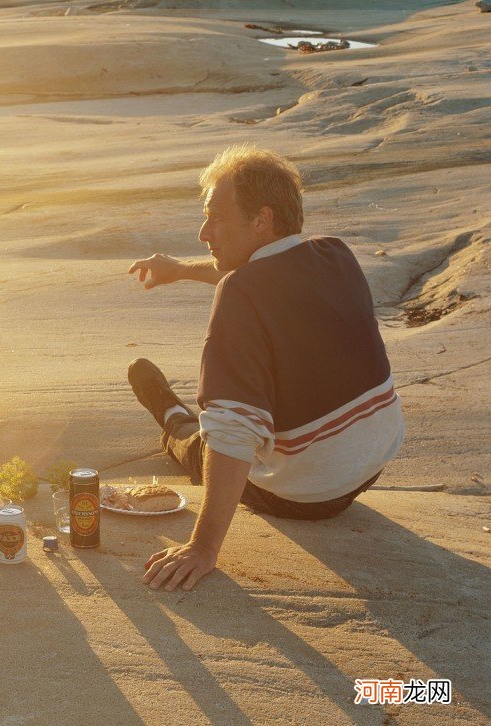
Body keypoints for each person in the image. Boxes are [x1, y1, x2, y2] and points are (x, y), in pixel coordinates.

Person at [126, 145, 404, 592]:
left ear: (262, 219)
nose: (203, 232)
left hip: (306, 496)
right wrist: (178, 271)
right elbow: (264, 277)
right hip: (371, 466)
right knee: (243, 403)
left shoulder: (240, 294)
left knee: (202, 443)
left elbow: (234, 434)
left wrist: (203, 548)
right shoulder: (335, 254)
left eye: (215, 216)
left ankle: (170, 416)